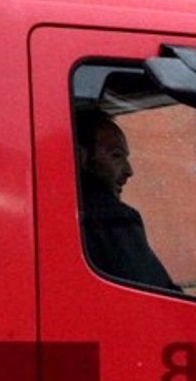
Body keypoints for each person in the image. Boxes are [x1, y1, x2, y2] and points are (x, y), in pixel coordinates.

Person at [76, 110, 178, 291]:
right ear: (81, 157)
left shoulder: (58, 215)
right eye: (116, 156)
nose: (129, 171)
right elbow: (157, 295)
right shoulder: (112, 219)